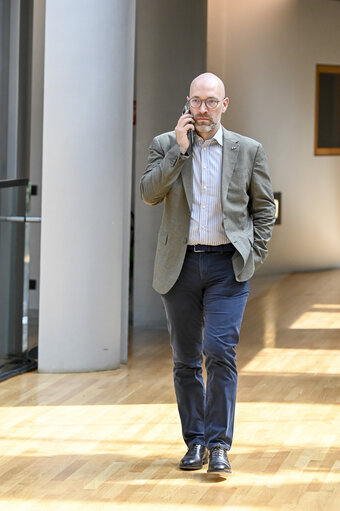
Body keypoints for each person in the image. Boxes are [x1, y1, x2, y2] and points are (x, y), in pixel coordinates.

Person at [140, 72, 276, 478]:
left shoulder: (248, 150)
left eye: (211, 102)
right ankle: (194, 441)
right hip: (179, 267)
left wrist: (255, 253)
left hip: (226, 267)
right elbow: (149, 193)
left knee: (219, 352)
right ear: (187, 104)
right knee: (185, 360)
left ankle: (219, 445)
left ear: (224, 104)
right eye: (196, 102)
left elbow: (264, 208)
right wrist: (179, 153)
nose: (203, 109)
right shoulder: (166, 144)